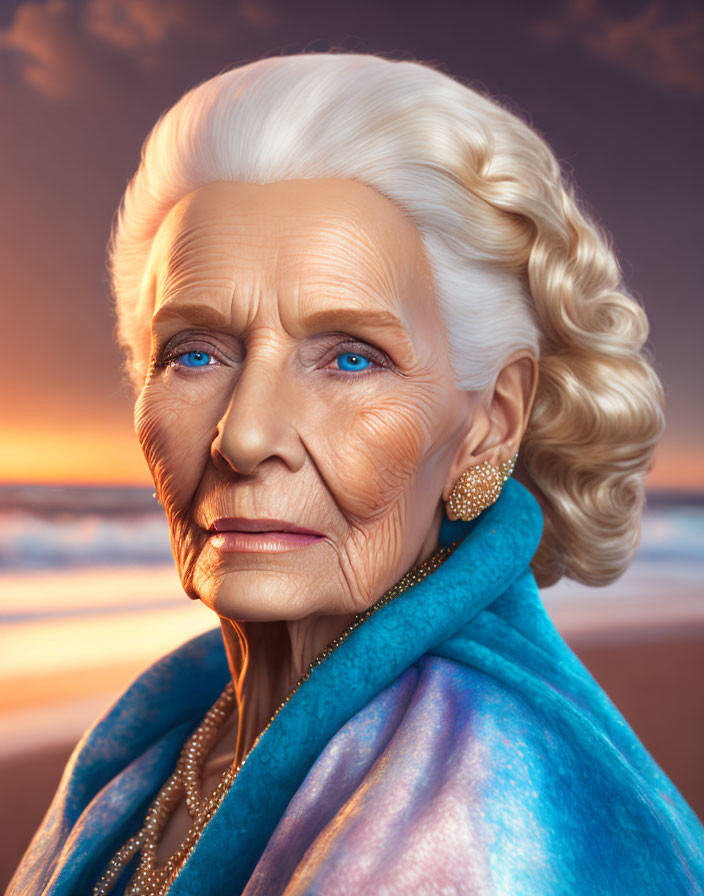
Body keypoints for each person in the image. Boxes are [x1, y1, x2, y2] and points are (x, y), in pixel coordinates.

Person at [9, 51, 704, 896]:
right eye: (194, 353)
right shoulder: (166, 736)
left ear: (490, 424)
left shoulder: (476, 814)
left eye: (349, 359)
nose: (247, 434)